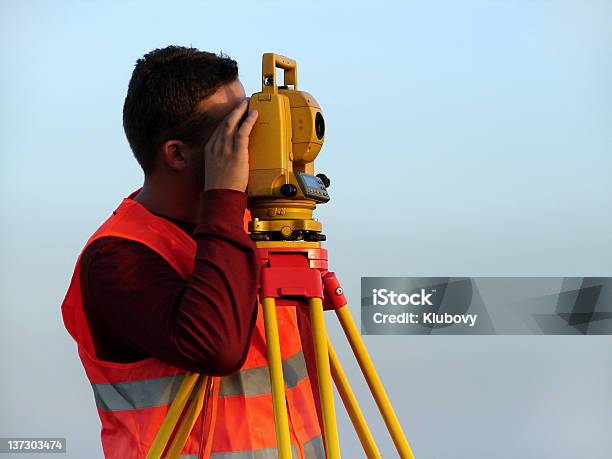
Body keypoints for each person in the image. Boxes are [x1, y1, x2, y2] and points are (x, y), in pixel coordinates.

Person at [61, 46, 324, 459]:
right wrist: (224, 196)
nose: (256, 138)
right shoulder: (117, 258)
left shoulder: (250, 233)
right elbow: (215, 348)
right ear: (178, 153)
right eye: (237, 128)